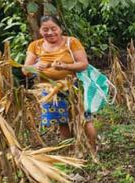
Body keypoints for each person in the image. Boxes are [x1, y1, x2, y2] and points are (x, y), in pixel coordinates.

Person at [22, 15, 96, 149]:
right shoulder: (35, 46)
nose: (50, 32)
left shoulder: (71, 42)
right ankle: (70, 150)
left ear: (60, 29)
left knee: (85, 119)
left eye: (53, 28)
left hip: (73, 87)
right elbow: (25, 70)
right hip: (50, 91)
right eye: (45, 29)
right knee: (62, 122)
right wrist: (35, 67)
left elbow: (83, 64)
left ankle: (93, 150)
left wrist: (65, 66)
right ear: (40, 30)